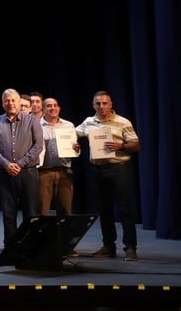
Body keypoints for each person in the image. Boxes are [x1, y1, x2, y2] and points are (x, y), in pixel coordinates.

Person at [75, 91, 140, 261]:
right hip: (97, 170)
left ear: (111, 104)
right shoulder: (88, 122)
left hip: (118, 168)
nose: (101, 106)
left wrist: (121, 145)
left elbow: (136, 145)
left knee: (125, 209)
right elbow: (74, 134)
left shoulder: (123, 122)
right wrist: (74, 144)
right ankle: (108, 246)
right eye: (98, 103)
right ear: (93, 105)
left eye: (105, 103)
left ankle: (130, 248)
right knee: (104, 210)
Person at [0, 88, 44, 251]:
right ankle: (11, 249)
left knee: (30, 213)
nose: (10, 103)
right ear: (3, 104)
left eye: (13, 100)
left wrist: (20, 164)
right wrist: (6, 164)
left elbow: (38, 145)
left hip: (28, 172)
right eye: (7, 101)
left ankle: (30, 248)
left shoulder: (32, 121)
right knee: (8, 214)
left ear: (19, 102)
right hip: (4, 174)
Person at [38, 97, 79, 217]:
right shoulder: (36, 125)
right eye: (49, 106)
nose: (53, 108)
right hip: (43, 172)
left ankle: (63, 230)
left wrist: (77, 149)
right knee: (41, 211)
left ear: (59, 108)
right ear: (43, 109)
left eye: (55, 105)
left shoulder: (68, 125)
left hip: (64, 172)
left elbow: (74, 146)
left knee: (65, 211)